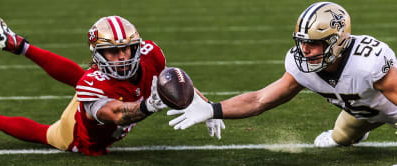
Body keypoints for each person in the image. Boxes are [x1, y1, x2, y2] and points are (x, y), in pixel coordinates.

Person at [0, 16, 224, 155]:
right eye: (113, 52)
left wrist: (206, 105)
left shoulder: (151, 54)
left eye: (126, 48)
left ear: (136, 46)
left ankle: (21, 46)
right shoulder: (92, 84)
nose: (122, 56)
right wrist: (148, 105)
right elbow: (117, 114)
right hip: (81, 132)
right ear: (98, 55)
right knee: (45, 134)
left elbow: (174, 85)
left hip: (106, 91)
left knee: (84, 79)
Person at [167, 2, 397, 148]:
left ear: (338, 42)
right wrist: (213, 109)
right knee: (342, 138)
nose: (305, 50)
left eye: (314, 44)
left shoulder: (368, 61)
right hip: (361, 111)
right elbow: (260, 100)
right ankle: (356, 132)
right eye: (302, 42)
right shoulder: (303, 65)